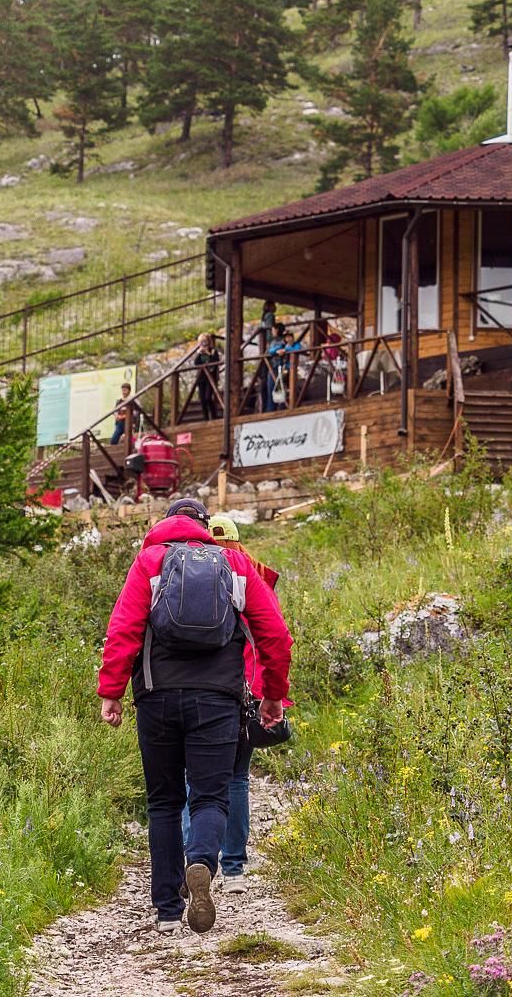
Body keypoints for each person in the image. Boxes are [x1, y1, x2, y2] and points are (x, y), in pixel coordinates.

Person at [98, 499, 292, 935]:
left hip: (156, 699)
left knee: (164, 801)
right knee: (210, 796)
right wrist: (273, 696)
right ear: (205, 527)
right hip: (218, 699)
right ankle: (202, 862)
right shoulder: (235, 564)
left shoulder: (149, 562)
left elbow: (123, 631)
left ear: (163, 525)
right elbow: (276, 635)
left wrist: (111, 692)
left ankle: (167, 910)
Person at [180, 514, 289, 894]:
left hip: (210, 689)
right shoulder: (254, 576)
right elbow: (274, 637)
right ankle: (235, 866)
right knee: (237, 778)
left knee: (192, 777)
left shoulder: (196, 578)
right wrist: (272, 694)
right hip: (252, 690)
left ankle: (192, 857)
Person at [194, 333, 220, 421]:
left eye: (205, 342)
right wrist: (198, 354)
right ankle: (206, 419)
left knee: (208, 397)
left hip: (210, 378)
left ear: (209, 342)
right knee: (202, 399)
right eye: (201, 342)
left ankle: (213, 416)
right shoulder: (199, 352)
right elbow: (196, 363)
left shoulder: (213, 351)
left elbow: (215, 362)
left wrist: (208, 354)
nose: (203, 344)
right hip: (201, 378)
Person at [264, 322, 285, 412]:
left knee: (274, 388)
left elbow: (269, 351)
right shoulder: (275, 341)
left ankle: (272, 409)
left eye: (273, 330)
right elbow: (270, 351)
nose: (272, 332)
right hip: (274, 366)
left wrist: (274, 351)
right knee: (275, 388)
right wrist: (276, 351)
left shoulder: (280, 341)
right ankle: (274, 408)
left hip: (276, 367)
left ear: (277, 330)